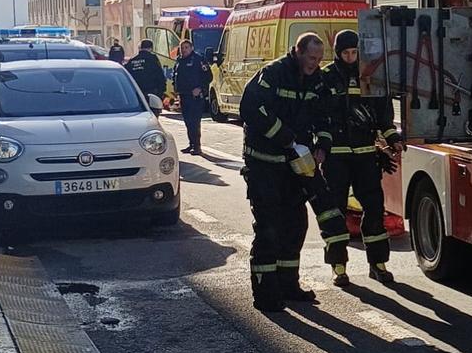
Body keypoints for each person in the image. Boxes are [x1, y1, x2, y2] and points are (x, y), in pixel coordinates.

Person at [238, 31, 349, 313]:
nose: (315, 63)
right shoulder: (273, 74)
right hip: (264, 164)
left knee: (295, 225)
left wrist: (323, 144)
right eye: (311, 58)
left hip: (294, 165)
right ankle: (265, 293)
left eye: (319, 59)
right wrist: (285, 137)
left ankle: (288, 285)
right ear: (297, 52)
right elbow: (250, 108)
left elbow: (325, 114)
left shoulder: (317, 80)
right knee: (269, 228)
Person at [318, 29, 402, 287]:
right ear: (338, 53)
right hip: (337, 158)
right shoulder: (326, 79)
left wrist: (392, 139)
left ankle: (378, 263)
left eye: (355, 52)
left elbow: (383, 114)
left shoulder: (370, 76)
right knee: (335, 213)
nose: (351, 57)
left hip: (366, 155)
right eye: (346, 53)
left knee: (375, 210)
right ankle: (339, 266)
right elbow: (318, 115)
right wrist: (321, 144)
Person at [172, 38, 211, 155]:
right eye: (182, 48)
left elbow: (208, 76)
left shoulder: (198, 59)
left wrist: (200, 88)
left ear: (191, 48)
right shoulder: (179, 61)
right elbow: (176, 77)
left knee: (195, 122)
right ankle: (191, 144)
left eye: (186, 47)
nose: (184, 50)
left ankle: (197, 146)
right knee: (188, 122)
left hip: (195, 97)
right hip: (184, 95)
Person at [126, 39, 166, 106]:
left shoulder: (132, 60)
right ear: (151, 48)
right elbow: (159, 75)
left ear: (140, 48)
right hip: (151, 92)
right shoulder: (152, 59)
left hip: (136, 93)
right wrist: (162, 90)